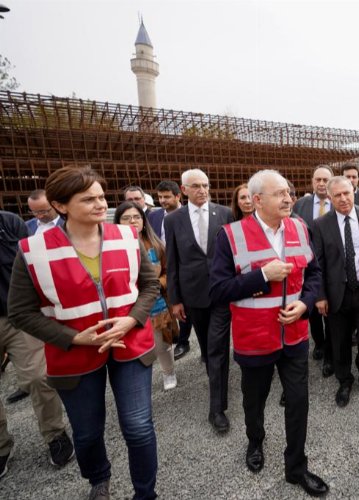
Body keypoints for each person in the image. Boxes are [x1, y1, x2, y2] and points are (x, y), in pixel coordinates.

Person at [8, 165, 160, 499]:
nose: (100, 204)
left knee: (138, 427)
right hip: (74, 354)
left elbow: (149, 286)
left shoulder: (127, 236)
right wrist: (75, 338)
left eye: (102, 196)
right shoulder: (32, 250)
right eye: (88, 199)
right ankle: (98, 479)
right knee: (88, 433)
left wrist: (132, 319)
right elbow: (20, 311)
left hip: (130, 344)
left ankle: (146, 493)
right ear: (61, 206)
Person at [209, 170, 329, 497]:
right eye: (280, 194)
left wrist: (305, 304)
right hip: (255, 339)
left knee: (299, 402)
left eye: (288, 192)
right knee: (254, 401)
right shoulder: (230, 235)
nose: (288, 198)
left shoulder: (300, 228)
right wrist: (262, 275)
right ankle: (255, 442)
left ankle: (296, 468)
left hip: (294, 336)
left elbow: (314, 274)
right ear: (257, 200)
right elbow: (218, 291)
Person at [0, 210, 74, 478]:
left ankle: (55, 433)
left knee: (37, 377)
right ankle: (1, 447)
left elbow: (31, 265)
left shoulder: (8, 223)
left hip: (13, 316)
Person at [164, 168, 234, 433]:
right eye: (196, 186)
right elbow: (172, 262)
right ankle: (214, 373)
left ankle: (217, 408)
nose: (202, 190)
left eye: (205, 185)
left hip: (221, 291)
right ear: (184, 190)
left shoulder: (224, 214)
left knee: (217, 347)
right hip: (193, 294)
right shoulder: (173, 220)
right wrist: (175, 299)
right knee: (206, 347)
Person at [312, 177, 359, 407]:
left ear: (353, 191)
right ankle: (345, 380)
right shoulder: (320, 224)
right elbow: (317, 263)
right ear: (329, 197)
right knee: (339, 342)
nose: (343, 198)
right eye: (337, 195)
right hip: (337, 293)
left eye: (347, 193)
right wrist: (319, 296)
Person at [115, 202, 178, 391]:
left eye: (136, 217)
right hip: (127, 306)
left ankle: (169, 373)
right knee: (134, 348)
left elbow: (169, 273)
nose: (132, 221)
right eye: (126, 218)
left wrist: (157, 285)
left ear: (144, 221)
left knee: (162, 344)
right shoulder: (113, 248)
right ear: (118, 221)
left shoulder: (157, 246)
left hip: (157, 304)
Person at [292, 165, 333, 376]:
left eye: (326, 179)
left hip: (333, 267)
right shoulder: (301, 204)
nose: (321, 183)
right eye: (318, 179)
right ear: (312, 182)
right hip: (308, 268)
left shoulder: (340, 201)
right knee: (313, 313)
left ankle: (331, 354)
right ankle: (319, 343)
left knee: (331, 314)